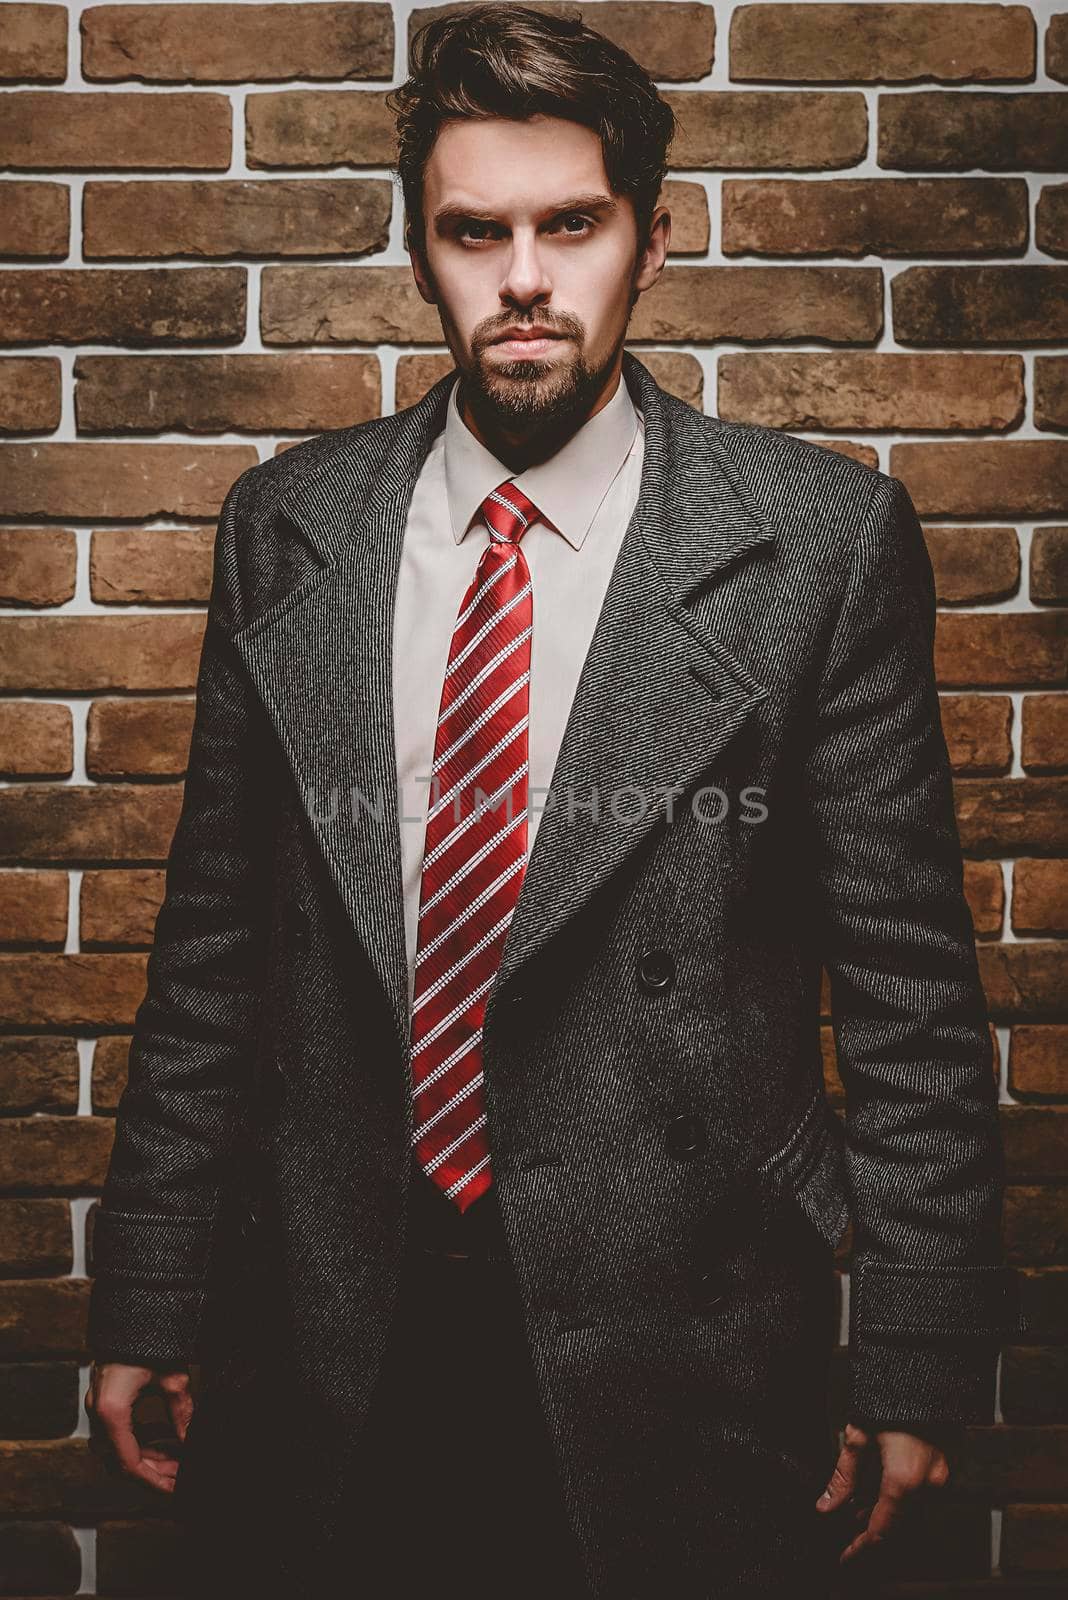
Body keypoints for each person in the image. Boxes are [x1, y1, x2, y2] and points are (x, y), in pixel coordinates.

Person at [85, 6, 1023, 1596]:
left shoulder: (819, 542)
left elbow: (912, 996)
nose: (523, 277)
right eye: (475, 231)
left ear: (651, 241)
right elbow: (214, 960)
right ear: (423, 252)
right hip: (334, 1308)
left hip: (688, 1311)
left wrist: (919, 1353)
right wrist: (153, 1295)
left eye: (569, 224)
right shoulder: (288, 526)